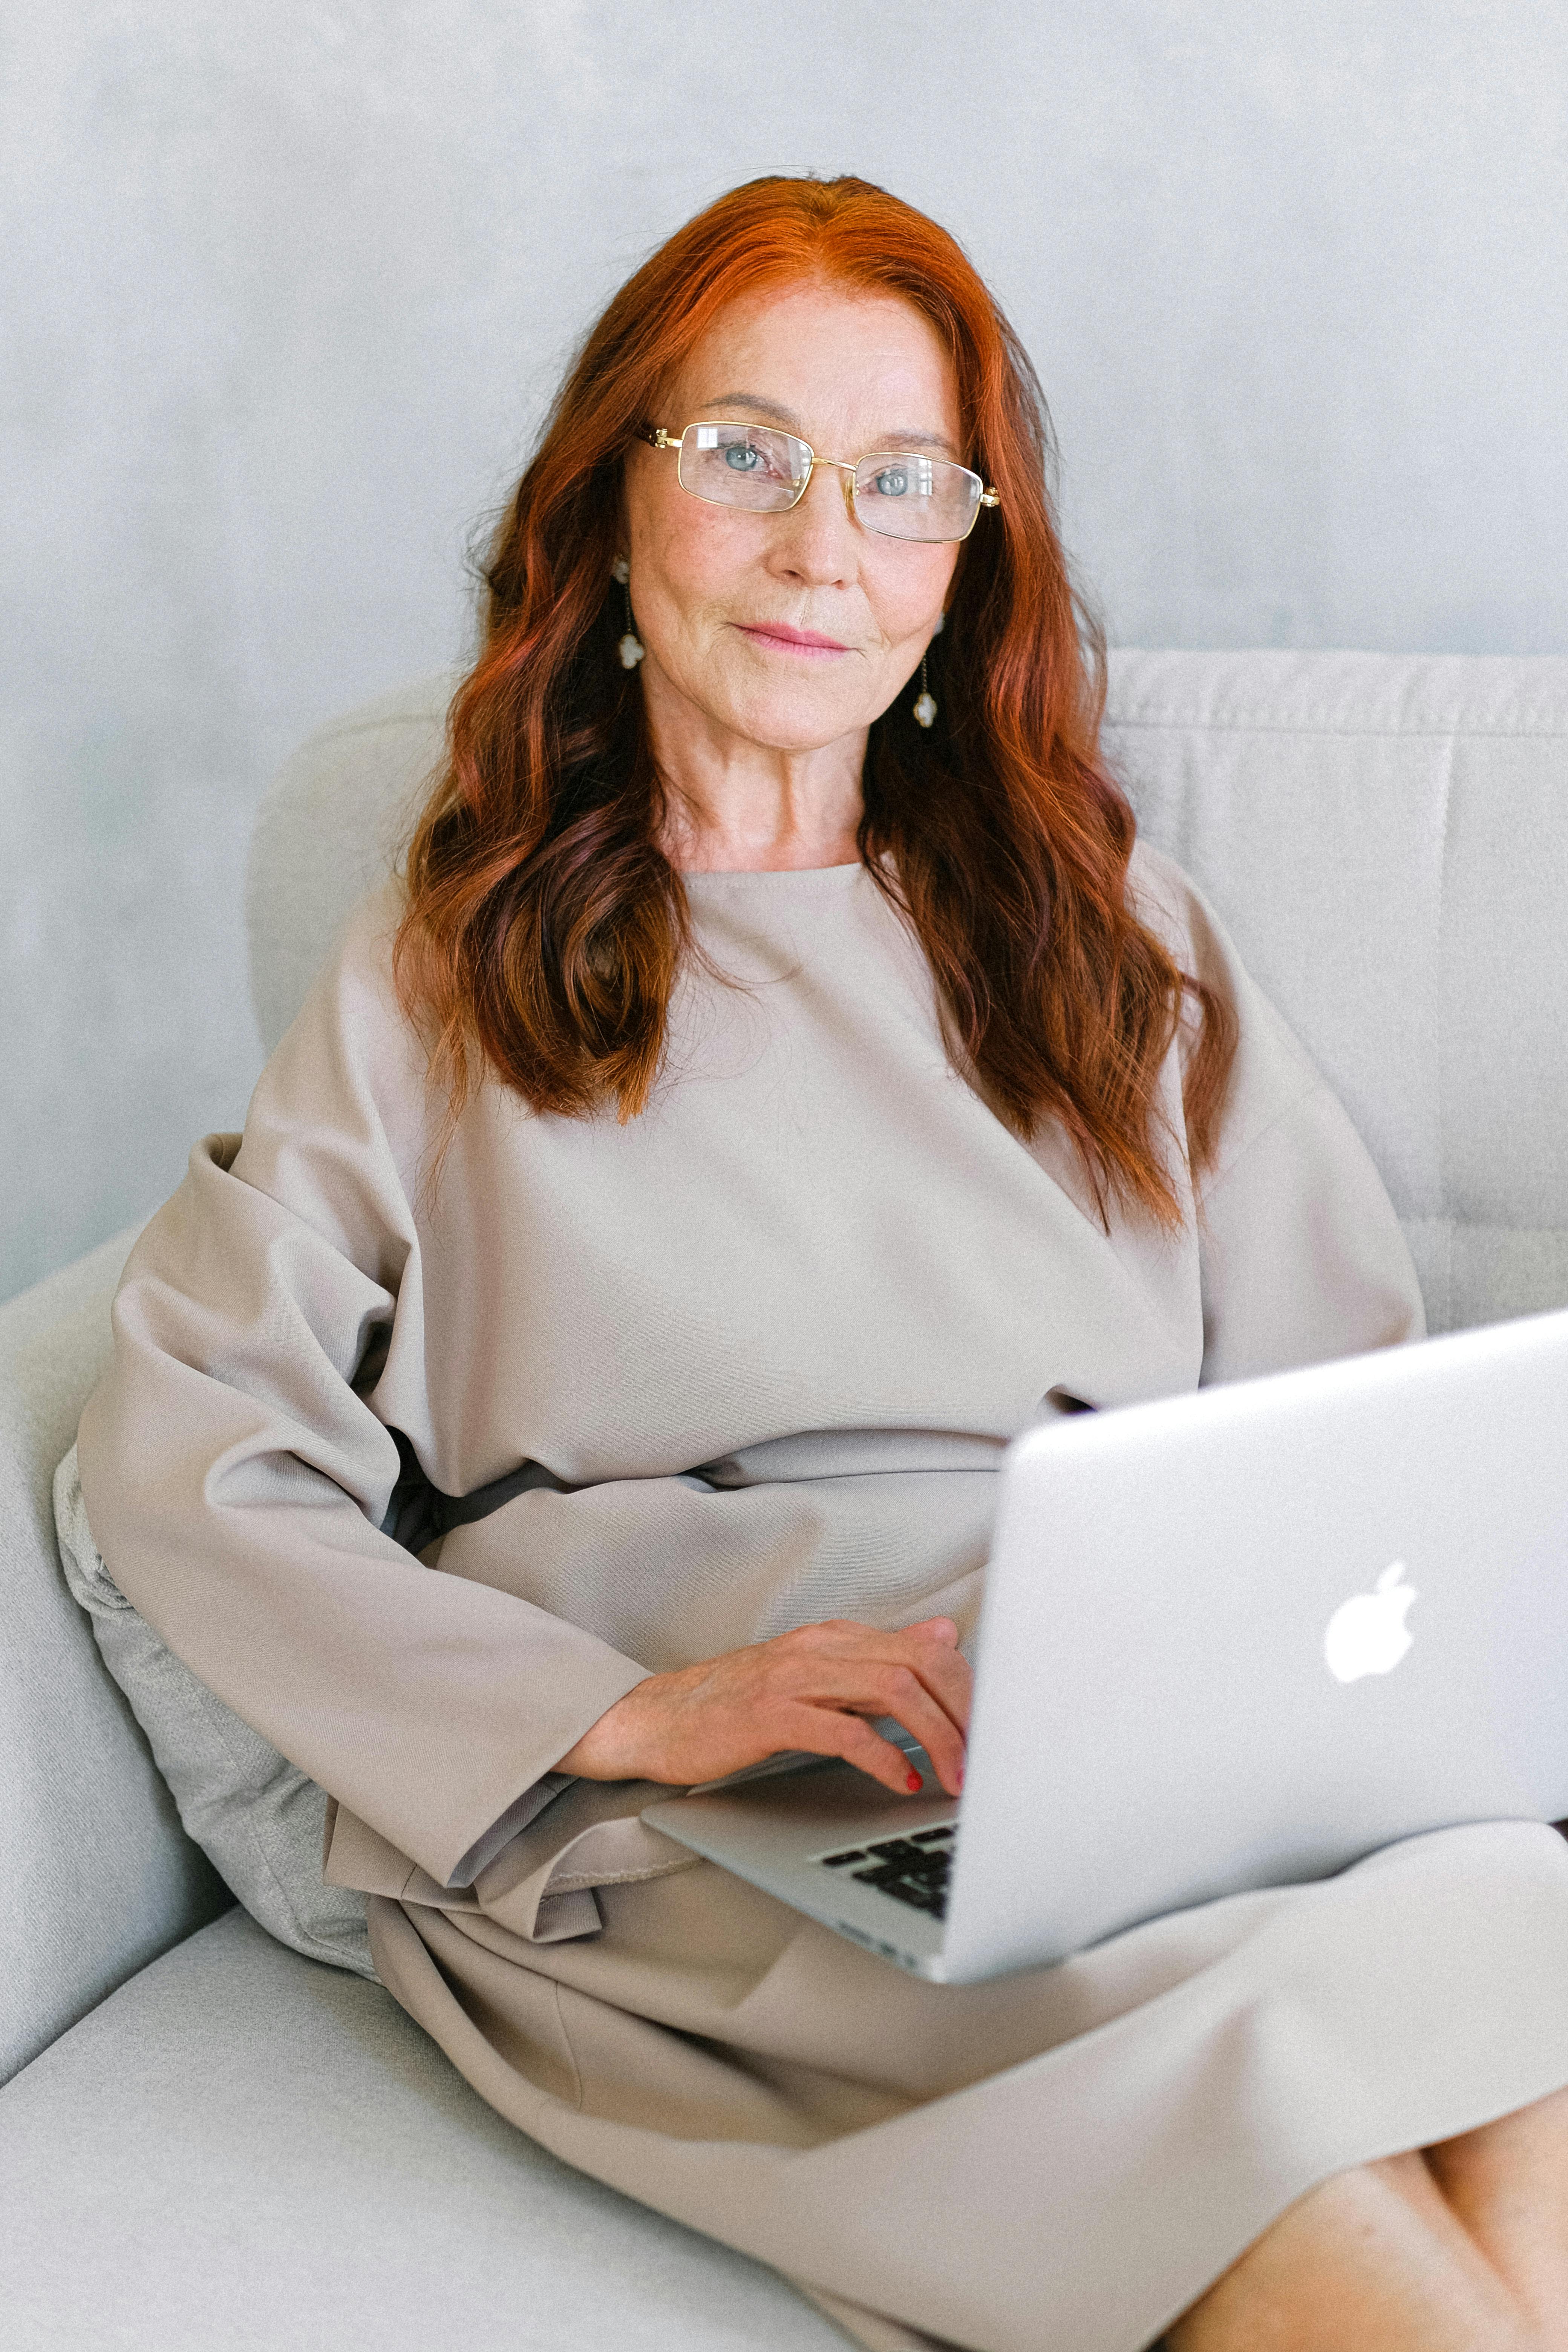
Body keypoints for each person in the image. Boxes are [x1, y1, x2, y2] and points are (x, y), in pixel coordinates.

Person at [78, 175, 1568, 2352]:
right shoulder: (447, 973)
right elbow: (185, 1459)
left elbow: (1347, 1424)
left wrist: (1284, 1735)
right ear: (608, 515)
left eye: (903, 485)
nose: (822, 550)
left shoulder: (1109, 939)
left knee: (1514, 1948)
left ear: (967, 566)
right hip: (740, 1819)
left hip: (1125, 1758)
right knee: (1282, 2131)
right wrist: (620, 1710)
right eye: (747, 456)